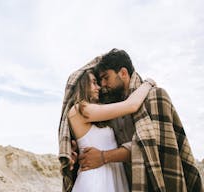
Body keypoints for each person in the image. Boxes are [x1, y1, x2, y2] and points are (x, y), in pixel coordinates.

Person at [66, 49, 203, 191]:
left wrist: (103, 156)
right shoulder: (104, 107)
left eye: (106, 78)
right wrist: (71, 150)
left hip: (153, 179)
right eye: (96, 81)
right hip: (120, 181)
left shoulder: (154, 97)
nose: (101, 86)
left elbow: (152, 144)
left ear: (123, 73)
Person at [67, 69, 154, 192]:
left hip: (113, 178)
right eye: (93, 82)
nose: (99, 87)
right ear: (81, 85)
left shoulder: (96, 114)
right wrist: (148, 83)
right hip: (95, 181)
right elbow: (131, 105)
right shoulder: (79, 109)